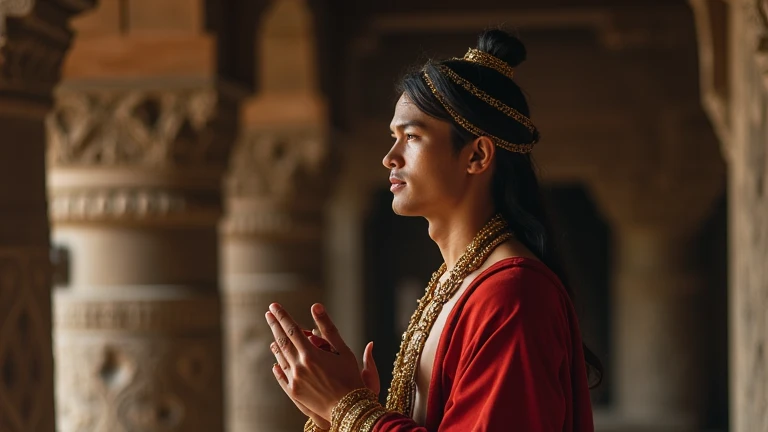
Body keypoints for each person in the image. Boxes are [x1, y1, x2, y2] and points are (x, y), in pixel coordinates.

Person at [265, 29, 601, 432]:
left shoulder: (512, 295)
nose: (390, 157)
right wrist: (332, 411)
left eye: (411, 137)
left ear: (476, 155)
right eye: (394, 138)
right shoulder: (456, 281)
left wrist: (349, 407)